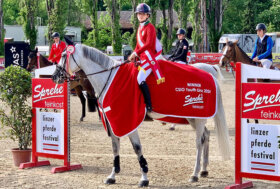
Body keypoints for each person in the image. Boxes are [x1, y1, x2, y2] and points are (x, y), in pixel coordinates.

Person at [128, 3, 164, 112]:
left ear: (148, 15)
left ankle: (148, 106)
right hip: (143, 56)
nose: (140, 16)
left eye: (143, 14)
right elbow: (138, 45)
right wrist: (134, 53)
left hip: (151, 56)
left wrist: (136, 53)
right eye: (139, 14)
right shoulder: (140, 27)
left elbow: (149, 45)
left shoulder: (150, 27)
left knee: (140, 78)